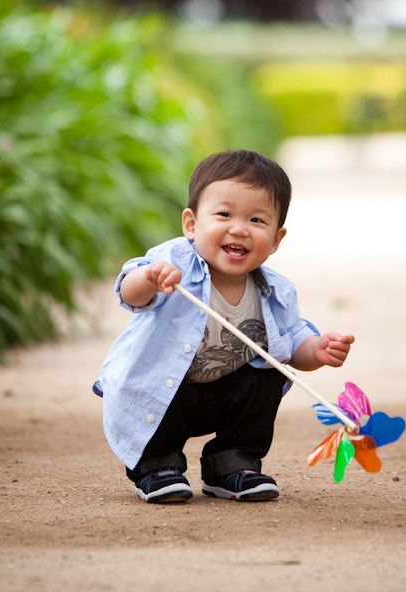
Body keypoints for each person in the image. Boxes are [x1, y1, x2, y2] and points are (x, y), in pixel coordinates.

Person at [93, 150, 355, 503]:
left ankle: (232, 463)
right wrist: (149, 279)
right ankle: (157, 466)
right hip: (162, 389)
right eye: (224, 214)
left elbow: (293, 345)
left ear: (276, 239)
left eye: (257, 221)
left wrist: (318, 350)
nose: (239, 228)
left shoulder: (275, 291)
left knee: (271, 369)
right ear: (191, 224)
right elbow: (129, 293)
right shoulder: (174, 263)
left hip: (224, 392)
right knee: (157, 419)